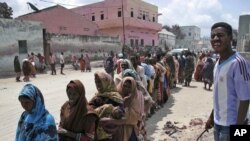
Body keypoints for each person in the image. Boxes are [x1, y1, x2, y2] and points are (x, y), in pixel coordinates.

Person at [205, 22, 250, 141]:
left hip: (233, 125)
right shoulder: (217, 63)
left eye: (220, 35)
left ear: (230, 38)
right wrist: (211, 117)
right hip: (218, 123)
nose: (215, 39)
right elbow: (219, 96)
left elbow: (245, 99)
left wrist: (239, 132)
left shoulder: (239, 63)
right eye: (213, 36)